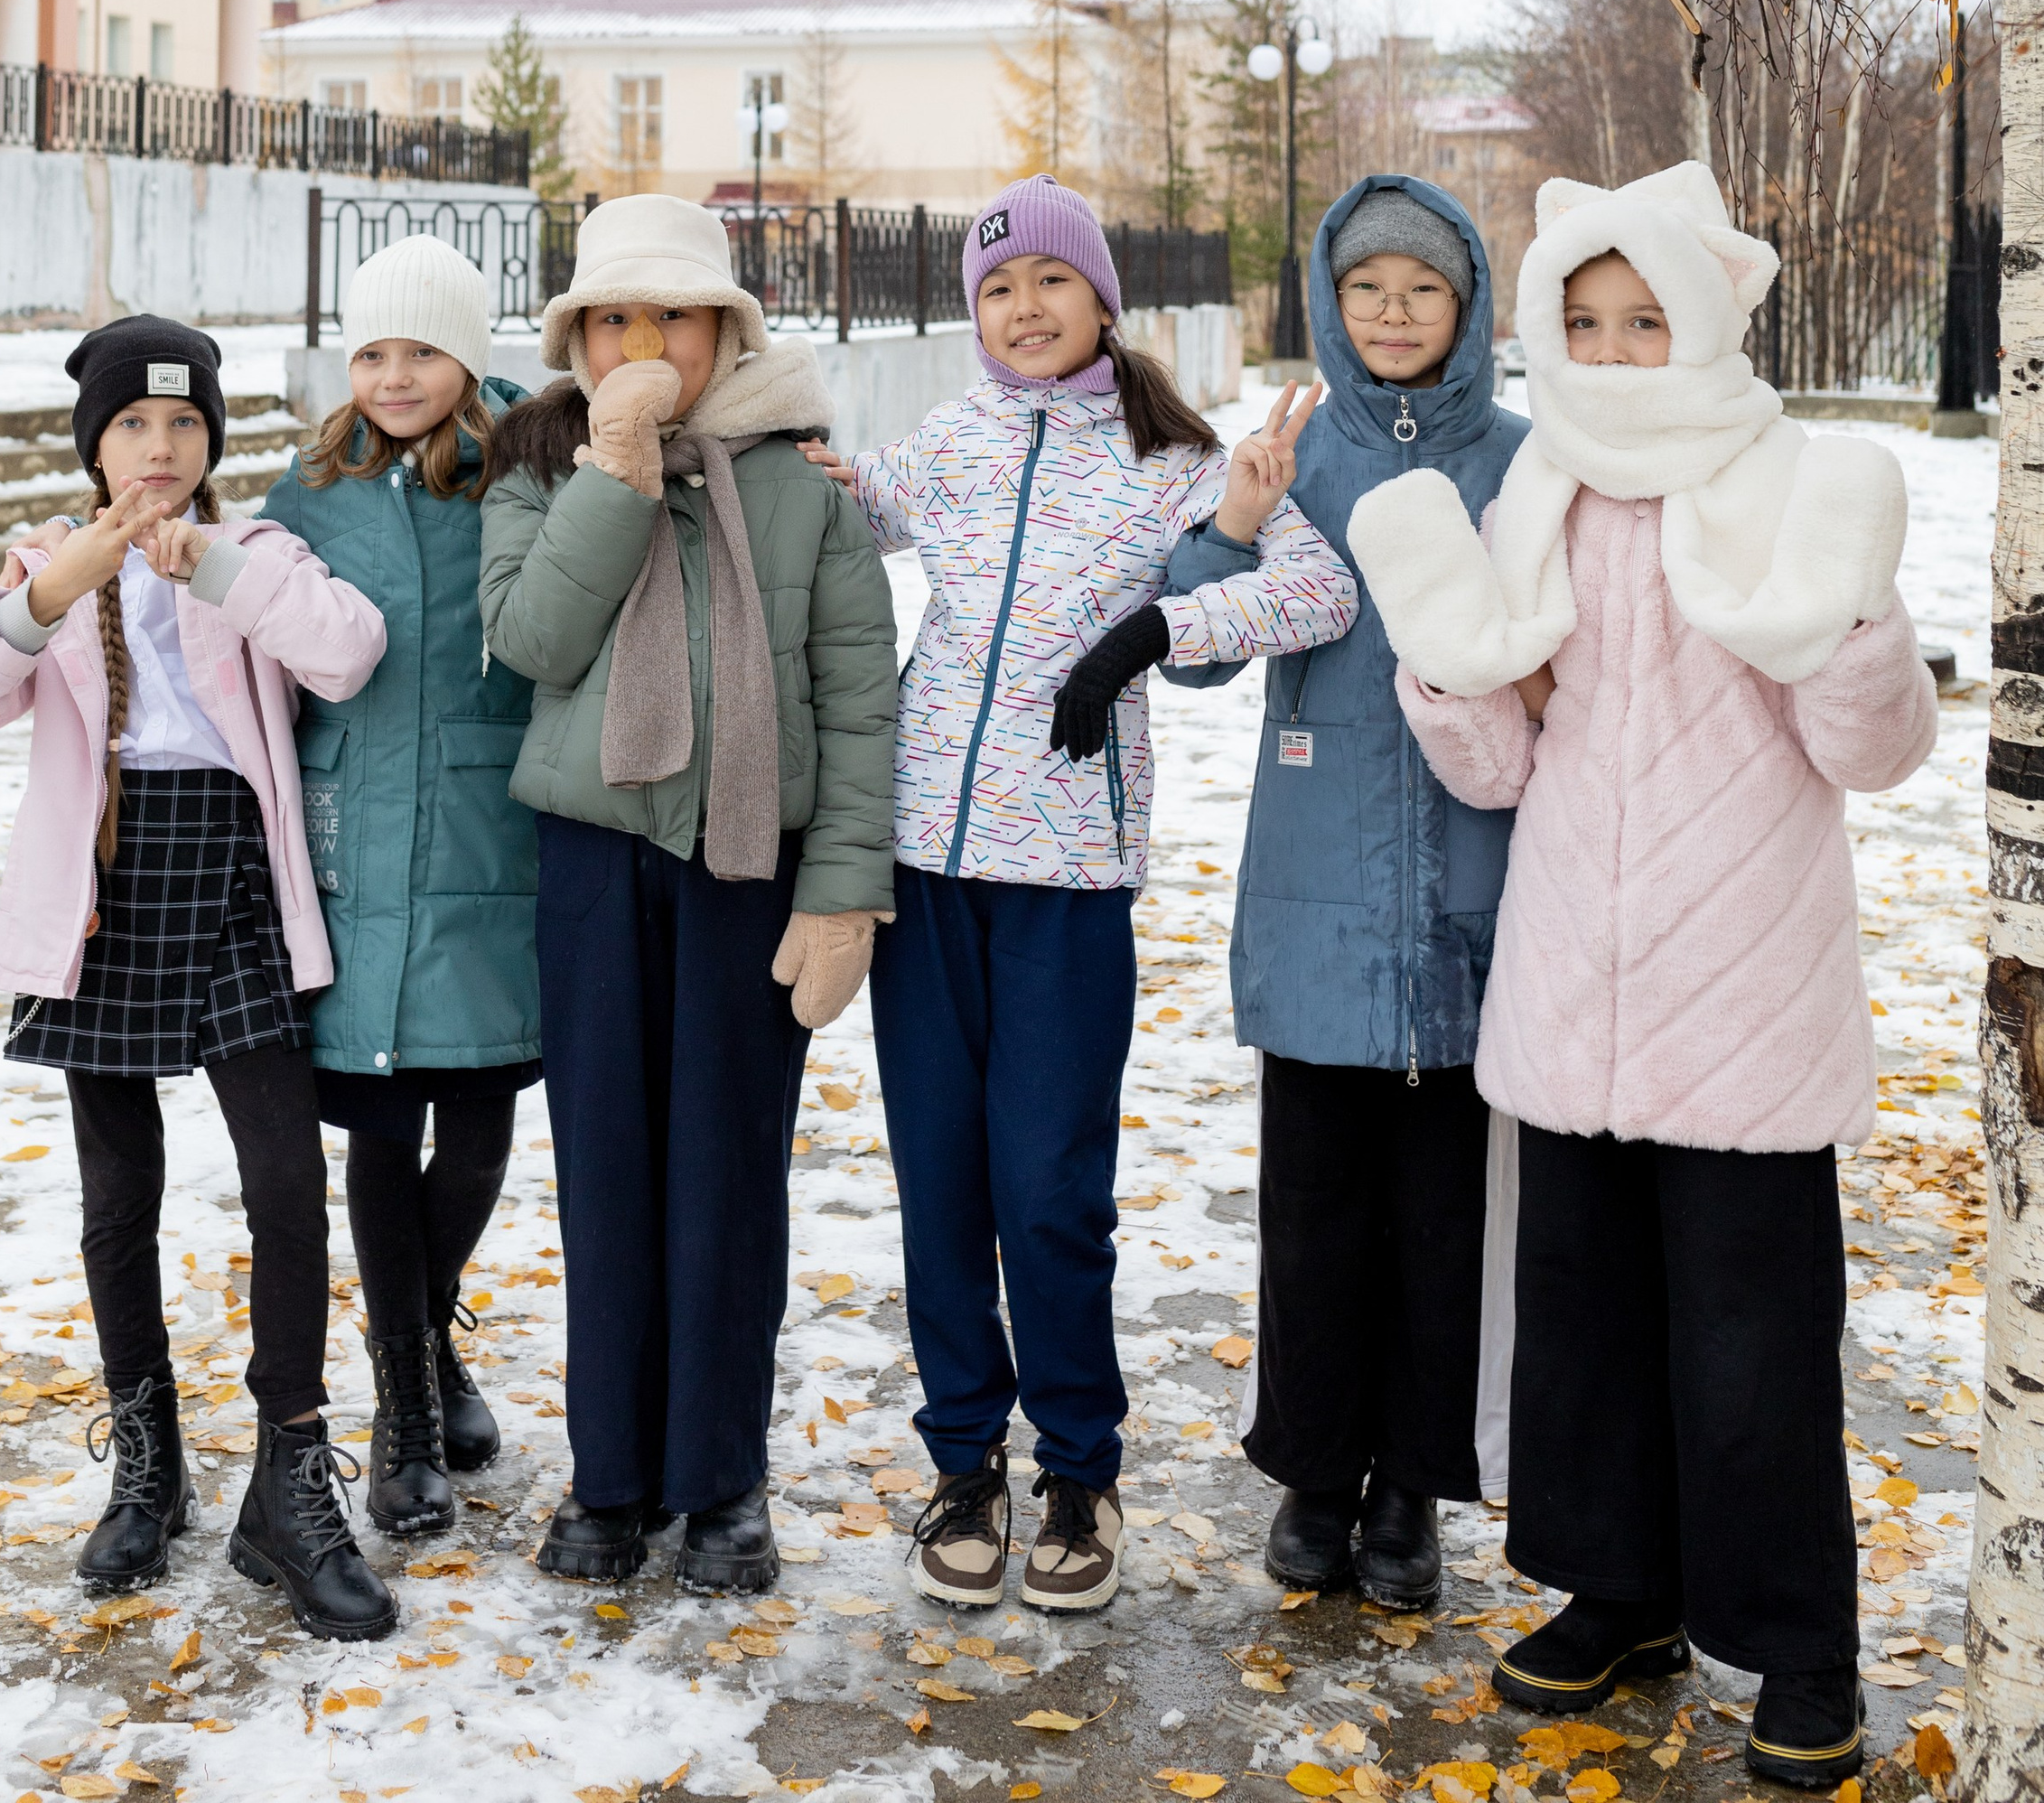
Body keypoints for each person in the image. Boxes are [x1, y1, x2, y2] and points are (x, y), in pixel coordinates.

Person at [1349, 161, 1936, 1794]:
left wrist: (1854, 634)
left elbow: (1871, 754)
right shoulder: (1542, 487)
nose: (1609, 352)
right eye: (1583, 321)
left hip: (1742, 984)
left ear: (1709, 322)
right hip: (1576, 980)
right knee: (1588, 1324)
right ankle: (1624, 1593)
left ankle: (1801, 1643)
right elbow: (1492, 764)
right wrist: (1450, 664)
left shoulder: (1789, 479)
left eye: (1644, 318)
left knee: (1752, 1338)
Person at [809, 174, 1352, 1617]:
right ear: (973, 316)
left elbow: (1318, 596)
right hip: (924, 870)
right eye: (997, 290)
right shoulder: (952, 441)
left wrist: (1157, 623)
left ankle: (1078, 1467)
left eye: (1049, 283)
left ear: (1099, 300)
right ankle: (964, 1463)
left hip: (1065, 882)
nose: (1024, 309)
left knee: (1049, 1192)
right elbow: (843, 504)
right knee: (941, 1185)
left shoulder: (1171, 457)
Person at [0, 315, 397, 1642]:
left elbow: (346, 652)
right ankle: (148, 1458)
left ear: (211, 442)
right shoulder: (47, 563)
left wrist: (225, 571)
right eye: (133, 425)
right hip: (106, 895)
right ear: (96, 442)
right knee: (118, 1193)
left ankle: (290, 1478)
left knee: (286, 1186)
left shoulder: (261, 555)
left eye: (183, 425)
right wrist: (56, 587)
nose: (159, 450)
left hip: (236, 886)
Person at [479, 193, 899, 1597]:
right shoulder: (537, 471)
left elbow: (854, 704)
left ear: (726, 331)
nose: (643, 341)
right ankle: (611, 1478)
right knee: (607, 1181)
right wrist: (613, 473)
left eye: (671, 317)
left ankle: (720, 1478)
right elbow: (532, 639)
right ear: (578, 341)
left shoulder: (800, 490)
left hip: (743, 875)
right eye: (613, 319)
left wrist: (843, 893)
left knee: (727, 1181)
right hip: (596, 873)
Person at [1164, 175, 1526, 1611]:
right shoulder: (1291, 454)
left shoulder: (1517, 462)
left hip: (1471, 899)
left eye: (1420, 290)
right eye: (1366, 286)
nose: (1390, 311)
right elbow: (1192, 654)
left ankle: (1411, 1500)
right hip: (1317, 908)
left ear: (1466, 310)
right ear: (1327, 299)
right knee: (1315, 1218)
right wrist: (1233, 523)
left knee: (1443, 1225)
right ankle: (1316, 1478)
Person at [257, 238, 534, 1541]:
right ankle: (409, 1407)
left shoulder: (525, 470)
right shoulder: (307, 489)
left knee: (478, 1118)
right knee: (374, 1126)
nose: (395, 374)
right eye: (372, 351)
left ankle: (424, 1338)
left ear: (467, 357)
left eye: (421, 349)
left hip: (490, 835)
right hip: (351, 842)